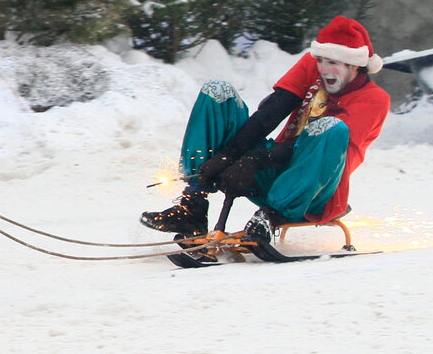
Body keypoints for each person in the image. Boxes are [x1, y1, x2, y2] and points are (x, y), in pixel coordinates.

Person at [141, 16, 392, 242]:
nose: (323, 69)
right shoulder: (312, 64)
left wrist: (257, 161)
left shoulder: (374, 100)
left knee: (330, 127)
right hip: (271, 171)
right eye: (321, 61)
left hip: (313, 190)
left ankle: (270, 217)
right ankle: (192, 205)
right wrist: (229, 155)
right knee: (217, 91)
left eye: (333, 63)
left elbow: (327, 147)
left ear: (354, 65)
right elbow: (273, 110)